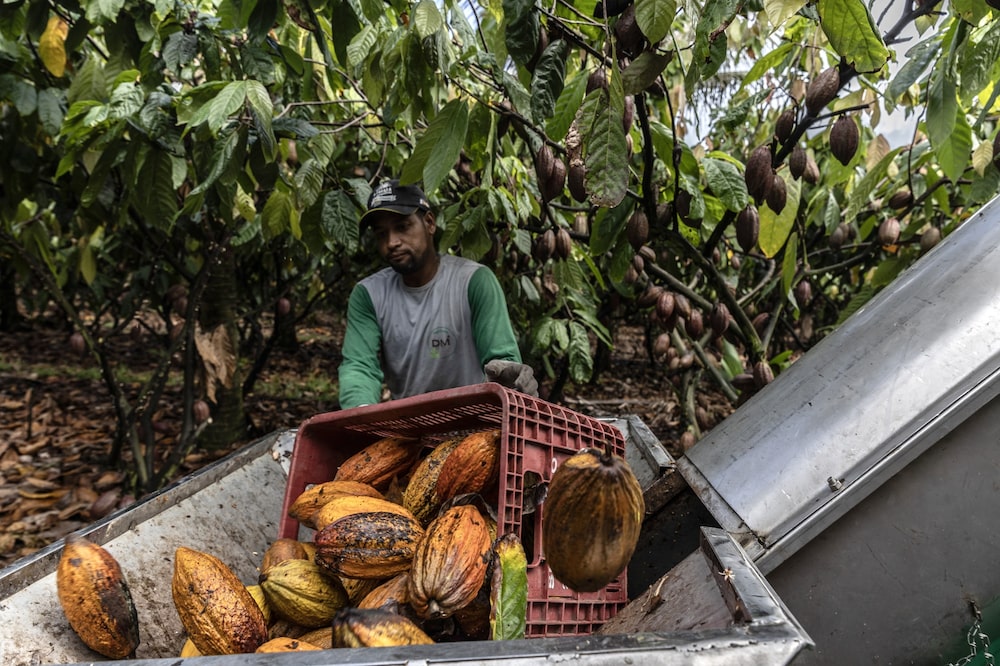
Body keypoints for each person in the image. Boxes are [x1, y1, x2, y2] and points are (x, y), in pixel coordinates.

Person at [337, 179, 538, 409]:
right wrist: (361, 412)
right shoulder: (369, 295)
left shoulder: (473, 281)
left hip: (474, 421)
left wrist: (508, 378)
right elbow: (359, 367)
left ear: (430, 223)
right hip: (408, 425)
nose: (391, 242)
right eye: (381, 234)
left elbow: (501, 359)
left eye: (402, 227)